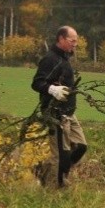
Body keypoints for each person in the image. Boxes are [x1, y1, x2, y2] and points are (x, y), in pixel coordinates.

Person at [31, 25, 88, 188]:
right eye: (72, 40)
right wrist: (52, 89)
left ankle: (42, 170)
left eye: (76, 41)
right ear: (61, 39)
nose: (75, 44)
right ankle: (56, 187)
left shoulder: (64, 58)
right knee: (60, 156)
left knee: (81, 147)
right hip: (55, 114)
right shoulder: (50, 59)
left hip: (69, 113)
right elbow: (37, 83)